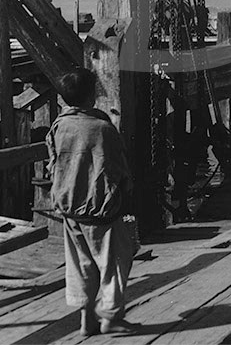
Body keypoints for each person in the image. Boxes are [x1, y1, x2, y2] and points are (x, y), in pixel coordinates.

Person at [47, 68, 136, 336]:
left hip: (69, 208)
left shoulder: (59, 126)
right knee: (115, 264)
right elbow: (119, 170)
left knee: (80, 266)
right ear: (92, 96)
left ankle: (87, 320)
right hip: (101, 210)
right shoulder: (102, 129)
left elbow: (53, 164)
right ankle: (110, 317)